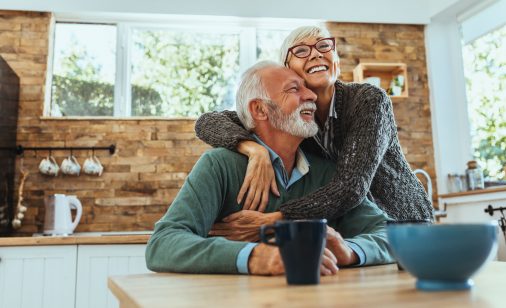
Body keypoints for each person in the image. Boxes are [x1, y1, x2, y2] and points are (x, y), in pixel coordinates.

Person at [145, 61, 394, 275]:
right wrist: (258, 257)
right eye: (294, 89)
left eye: (307, 88)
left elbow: (390, 235)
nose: (311, 96)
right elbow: (163, 244)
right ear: (260, 109)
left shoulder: (327, 173)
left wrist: (349, 251)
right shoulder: (219, 165)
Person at [195, 26, 434, 233]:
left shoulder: (368, 101)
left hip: (402, 222)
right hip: (353, 228)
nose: (316, 54)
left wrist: (278, 219)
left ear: (336, 61)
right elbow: (207, 122)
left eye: (323, 46)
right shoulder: (292, 118)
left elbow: (351, 187)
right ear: (287, 69)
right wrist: (254, 150)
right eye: (301, 50)